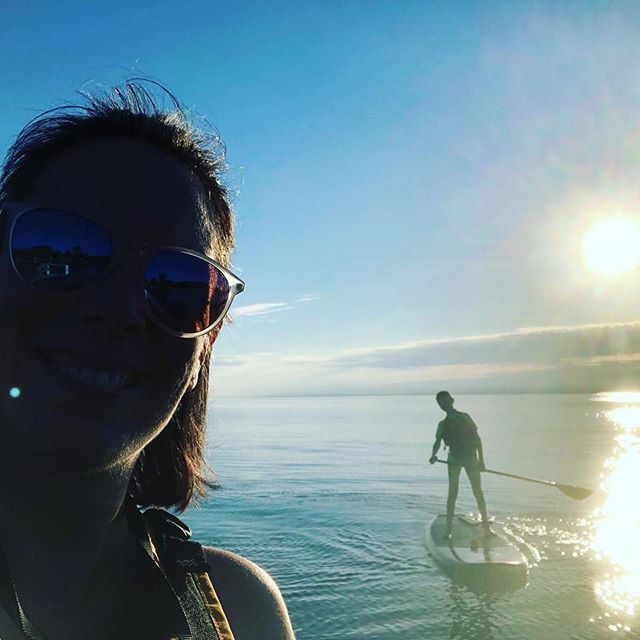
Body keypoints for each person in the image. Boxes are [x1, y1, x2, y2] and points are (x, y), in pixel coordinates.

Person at [0, 81, 296, 639]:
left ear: (205, 348)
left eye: (180, 286)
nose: (117, 311)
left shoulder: (241, 609)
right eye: (60, 250)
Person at [429, 391, 491, 538]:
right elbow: (437, 442)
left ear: (452, 401)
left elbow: (477, 438)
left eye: (445, 401)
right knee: (452, 493)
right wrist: (433, 455)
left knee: (478, 492)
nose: (444, 405)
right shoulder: (442, 424)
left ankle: (487, 529)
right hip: (454, 459)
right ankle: (448, 530)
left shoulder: (465, 417)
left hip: (471, 458)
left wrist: (481, 460)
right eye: (441, 403)